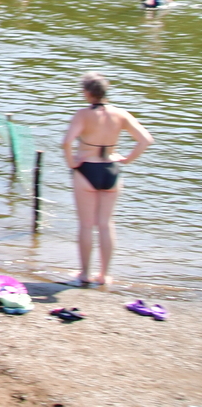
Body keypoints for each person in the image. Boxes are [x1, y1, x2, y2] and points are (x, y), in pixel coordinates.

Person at [61, 72, 154, 286]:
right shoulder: (121, 114)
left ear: (87, 93)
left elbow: (66, 142)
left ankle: (84, 273)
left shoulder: (82, 115)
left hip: (87, 169)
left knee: (86, 224)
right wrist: (127, 160)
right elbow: (146, 140)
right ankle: (104, 275)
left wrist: (71, 162)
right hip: (111, 169)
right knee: (106, 224)